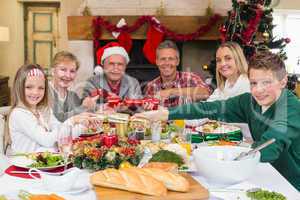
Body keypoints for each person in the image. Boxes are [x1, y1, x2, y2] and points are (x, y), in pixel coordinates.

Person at [135, 51, 300, 190]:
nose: (258, 90)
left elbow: (271, 146)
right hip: (266, 174)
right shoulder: (248, 101)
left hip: (291, 184)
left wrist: (228, 163)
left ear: (283, 81)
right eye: (254, 83)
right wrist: (165, 114)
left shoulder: (290, 108)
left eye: (267, 83)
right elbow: (208, 108)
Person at [7, 64, 97, 153]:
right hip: (24, 164)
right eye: (29, 87)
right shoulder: (19, 114)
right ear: (19, 88)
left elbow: (61, 133)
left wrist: (83, 125)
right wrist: (72, 120)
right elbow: (47, 140)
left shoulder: (43, 109)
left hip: (44, 163)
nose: (35, 92)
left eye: (41, 88)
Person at [144, 40, 211, 107]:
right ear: (157, 62)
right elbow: (147, 112)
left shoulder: (190, 78)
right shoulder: (151, 86)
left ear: (177, 61)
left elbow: (206, 93)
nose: (167, 63)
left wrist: (171, 92)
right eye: (163, 59)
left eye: (171, 59)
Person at [82, 42, 142, 110]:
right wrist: (104, 107)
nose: (115, 68)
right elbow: (86, 107)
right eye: (111, 64)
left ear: (125, 67)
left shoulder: (133, 82)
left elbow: (139, 109)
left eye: (120, 64)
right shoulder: (92, 82)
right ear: (103, 66)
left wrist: (123, 105)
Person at [49, 51, 91, 122]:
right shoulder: (43, 92)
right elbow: (58, 119)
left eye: (72, 71)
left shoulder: (73, 95)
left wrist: (100, 108)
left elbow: (83, 111)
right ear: (53, 71)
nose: (68, 75)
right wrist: (83, 107)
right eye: (63, 70)